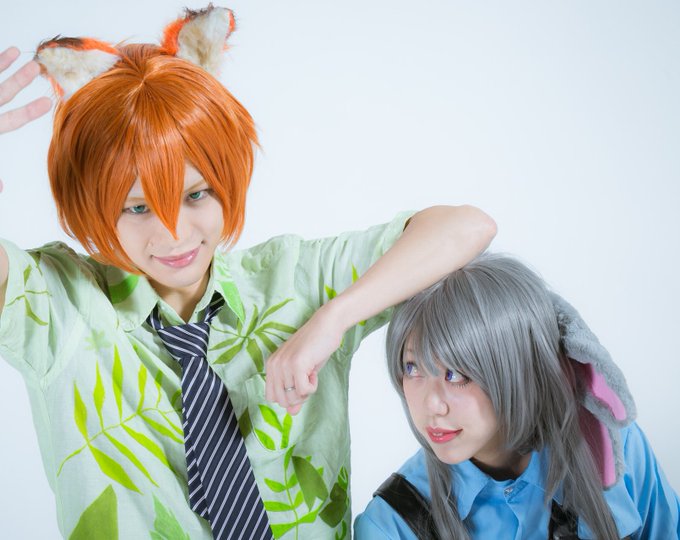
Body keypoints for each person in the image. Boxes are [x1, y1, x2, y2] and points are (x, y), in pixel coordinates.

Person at [0, 5, 496, 539]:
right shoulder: (60, 304)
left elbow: (467, 227)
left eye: (196, 195)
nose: (174, 233)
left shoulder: (295, 280)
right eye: (138, 208)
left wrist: (331, 319)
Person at [355, 253, 679, 539]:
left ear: (517, 367)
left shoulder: (612, 448)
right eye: (412, 368)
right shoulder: (392, 525)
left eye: (455, 374)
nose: (432, 405)